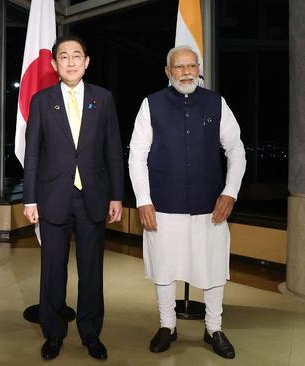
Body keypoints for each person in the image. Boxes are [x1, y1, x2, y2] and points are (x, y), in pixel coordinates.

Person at [128, 45, 246, 359]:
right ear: (168, 72)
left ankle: (213, 328)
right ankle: (167, 325)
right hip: (163, 205)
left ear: (199, 69)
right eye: (179, 67)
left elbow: (236, 150)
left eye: (192, 66)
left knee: (213, 267)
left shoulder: (216, 102)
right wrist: (143, 200)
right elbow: (136, 156)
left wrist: (230, 192)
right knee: (164, 268)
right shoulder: (150, 104)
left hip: (211, 206)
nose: (187, 72)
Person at [23, 35, 124, 361]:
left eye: (76, 55)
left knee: (92, 271)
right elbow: (33, 155)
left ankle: (91, 333)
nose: (70, 62)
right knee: (53, 270)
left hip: (93, 198)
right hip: (53, 198)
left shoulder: (103, 99)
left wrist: (117, 196)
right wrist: (30, 199)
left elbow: (113, 151)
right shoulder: (42, 100)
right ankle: (53, 334)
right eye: (63, 57)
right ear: (54, 64)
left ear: (87, 61)